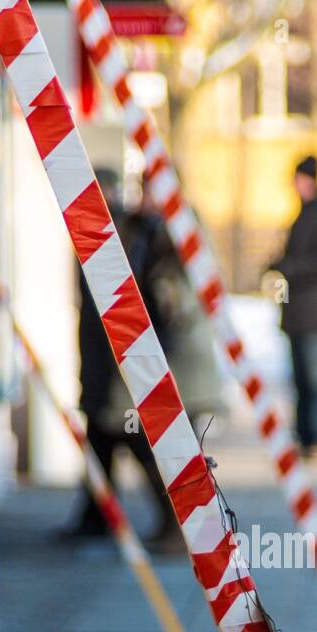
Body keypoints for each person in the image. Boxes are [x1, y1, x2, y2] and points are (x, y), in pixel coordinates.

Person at [62, 170, 224, 552]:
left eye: (148, 191)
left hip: (178, 365)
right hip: (155, 363)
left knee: (160, 446)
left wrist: (164, 298)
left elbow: (181, 298)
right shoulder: (150, 229)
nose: (141, 199)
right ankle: (180, 527)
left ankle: (186, 528)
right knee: (137, 437)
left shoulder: (179, 233)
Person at [268, 155, 317, 457]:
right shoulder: (300, 219)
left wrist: (289, 267)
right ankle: (306, 435)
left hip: (315, 315)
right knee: (300, 379)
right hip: (297, 314)